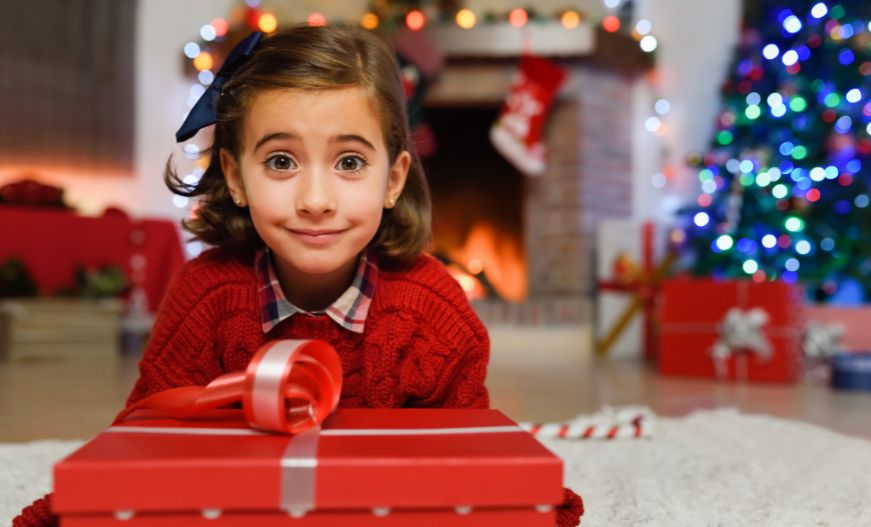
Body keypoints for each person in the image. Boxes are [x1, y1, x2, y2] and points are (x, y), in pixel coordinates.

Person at [14, 25, 583, 526]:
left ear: (393, 179)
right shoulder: (207, 297)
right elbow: (146, 440)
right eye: (281, 161)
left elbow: (468, 467)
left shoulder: (432, 312)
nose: (315, 200)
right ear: (236, 177)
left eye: (350, 163)